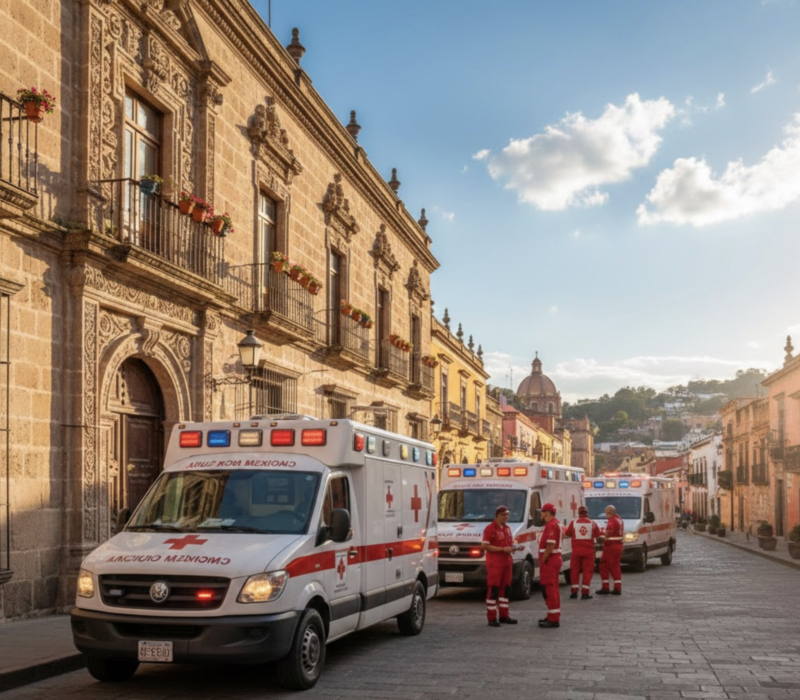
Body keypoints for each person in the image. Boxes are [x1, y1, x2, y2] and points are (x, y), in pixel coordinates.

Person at [481, 505, 521, 627]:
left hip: (506, 562)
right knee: (493, 589)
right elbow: (485, 546)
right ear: (497, 515)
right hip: (495, 563)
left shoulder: (507, 528)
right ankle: (492, 618)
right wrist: (503, 549)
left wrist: (514, 547)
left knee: (506, 589)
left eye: (508, 514)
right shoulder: (490, 528)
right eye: (504, 515)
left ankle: (504, 615)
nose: (506, 517)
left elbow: (508, 543)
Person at [565, 505, 601, 600]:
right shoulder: (592, 523)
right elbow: (597, 534)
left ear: (578, 513)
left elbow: (568, 533)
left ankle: (574, 593)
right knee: (587, 571)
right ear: (587, 513)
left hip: (576, 551)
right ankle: (585, 593)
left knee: (574, 571)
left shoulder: (574, 522)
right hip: (588, 551)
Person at [538, 502, 562, 628]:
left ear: (547, 513)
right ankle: (553, 614)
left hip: (550, 560)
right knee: (554, 588)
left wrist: (544, 559)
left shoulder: (551, 525)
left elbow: (550, 545)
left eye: (542, 511)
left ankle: (553, 618)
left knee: (549, 588)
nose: (541, 514)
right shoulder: (554, 523)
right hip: (554, 559)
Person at [596, 504, 624, 595]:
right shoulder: (619, 519)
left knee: (603, 566)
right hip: (618, 545)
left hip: (610, 546)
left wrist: (601, 535)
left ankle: (605, 587)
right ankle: (617, 587)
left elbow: (608, 533)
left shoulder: (612, 521)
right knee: (616, 566)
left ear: (608, 512)